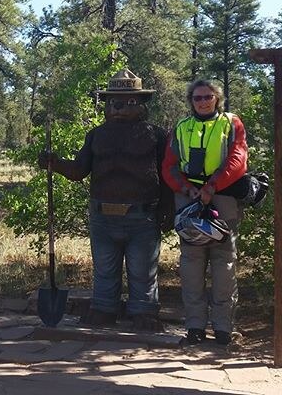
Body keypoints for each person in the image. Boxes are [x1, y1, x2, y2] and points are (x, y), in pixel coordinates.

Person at [39, 69, 171, 332]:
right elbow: (79, 170)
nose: (119, 107)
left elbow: (167, 174)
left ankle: (144, 311)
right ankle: (103, 308)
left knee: (143, 270)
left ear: (142, 105)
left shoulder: (156, 136)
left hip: (143, 216)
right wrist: (56, 163)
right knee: (104, 268)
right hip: (102, 217)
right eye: (113, 102)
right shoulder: (96, 135)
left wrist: (169, 207)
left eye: (128, 102)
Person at [162, 78, 248, 346]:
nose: (202, 102)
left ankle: (223, 327)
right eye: (197, 98)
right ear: (191, 101)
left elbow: (238, 158)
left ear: (217, 98)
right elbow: (169, 166)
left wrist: (213, 186)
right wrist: (187, 189)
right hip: (189, 200)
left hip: (223, 198)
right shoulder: (181, 127)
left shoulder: (231, 123)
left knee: (224, 263)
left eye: (207, 97)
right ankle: (195, 327)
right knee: (191, 263)